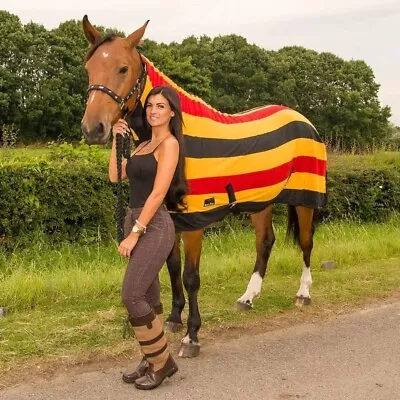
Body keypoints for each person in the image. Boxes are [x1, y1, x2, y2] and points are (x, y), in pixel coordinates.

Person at [108, 85, 188, 390]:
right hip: (137, 220)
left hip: (153, 225)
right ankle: (150, 357)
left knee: (132, 294)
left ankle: (163, 362)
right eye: (151, 106)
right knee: (149, 297)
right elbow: (116, 176)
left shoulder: (169, 145)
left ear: (172, 113)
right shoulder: (142, 146)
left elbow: (158, 193)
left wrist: (134, 233)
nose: (153, 111)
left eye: (161, 106)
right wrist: (117, 140)